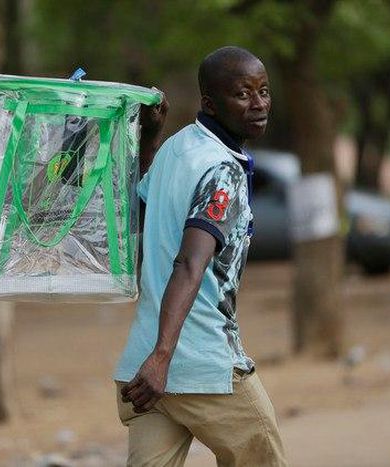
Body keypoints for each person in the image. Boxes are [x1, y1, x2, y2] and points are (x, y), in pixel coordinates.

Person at [114, 46, 289, 466]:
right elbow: (190, 262)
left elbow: (148, 199)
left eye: (263, 91)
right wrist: (163, 357)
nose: (259, 103)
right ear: (210, 103)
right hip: (200, 365)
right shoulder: (221, 170)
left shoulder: (178, 146)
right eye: (243, 94)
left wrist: (150, 137)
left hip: (145, 371)